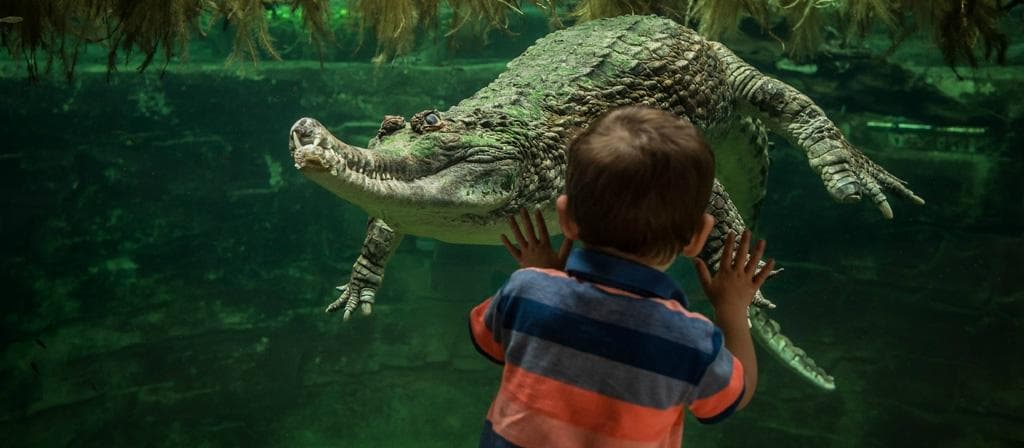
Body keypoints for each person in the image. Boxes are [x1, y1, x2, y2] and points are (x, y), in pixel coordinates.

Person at [468, 105, 775, 447]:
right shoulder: (689, 339)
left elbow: (492, 342)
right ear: (698, 237)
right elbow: (736, 393)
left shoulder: (525, 289)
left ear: (566, 218)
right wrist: (732, 310)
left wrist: (545, 277)